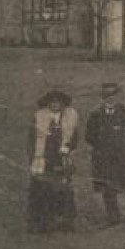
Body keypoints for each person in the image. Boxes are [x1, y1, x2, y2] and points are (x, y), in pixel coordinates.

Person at [83, 82, 125, 228]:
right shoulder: (96, 115)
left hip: (124, 156)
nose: (110, 98)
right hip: (104, 157)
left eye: (113, 94)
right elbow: (89, 136)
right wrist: (102, 147)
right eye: (106, 95)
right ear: (102, 97)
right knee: (108, 186)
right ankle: (113, 218)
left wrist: (124, 145)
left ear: (117, 95)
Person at [26, 90, 80, 233]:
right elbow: (31, 140)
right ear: (48, 104)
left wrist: (67, 147)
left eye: (58, 103)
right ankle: (42, 222)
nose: (55, 105)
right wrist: (33, 158)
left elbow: (74, 139)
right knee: (41, 190)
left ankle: (65, 222)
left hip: (62, 160)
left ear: (62, 105)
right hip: (43, 159)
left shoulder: (70, 119)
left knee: (64, 190)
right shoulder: (39, 118)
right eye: (52, 102)